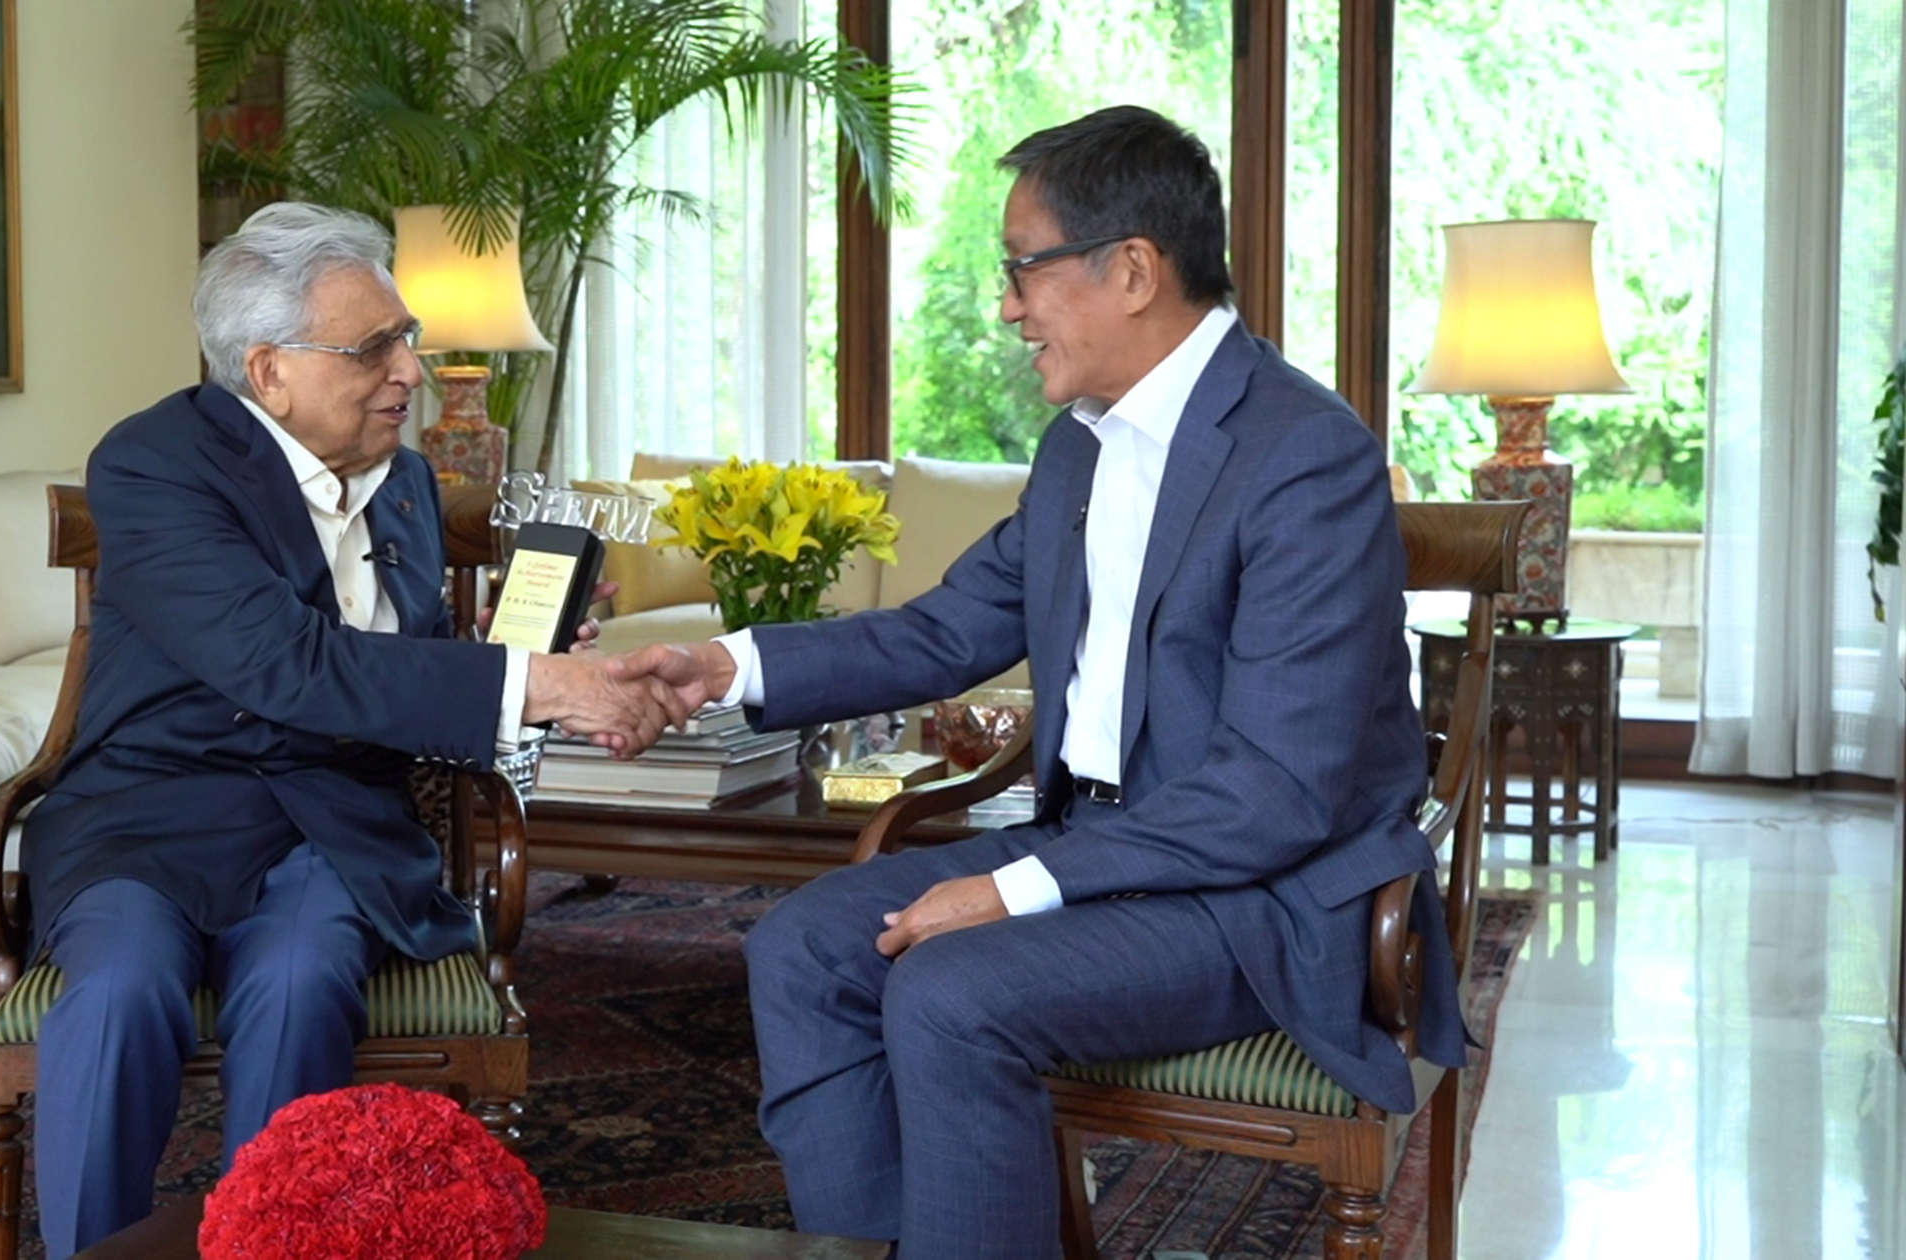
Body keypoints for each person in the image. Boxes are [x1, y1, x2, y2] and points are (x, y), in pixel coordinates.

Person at [611, 105, 1467, 1258]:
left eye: (1023, 269)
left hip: (1260, 894)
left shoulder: (1304, 456)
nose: (1008, 307)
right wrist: (726, 663)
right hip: (1100, 849)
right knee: (802, 949)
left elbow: (1274, 794)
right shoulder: (1079, 444)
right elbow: (944, 629)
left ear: (1132, 270)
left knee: (952, 992)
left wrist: (1016, 889)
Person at [18, 202, 683, 1258]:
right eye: (373, 348)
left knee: (301, 984)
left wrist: (511, 646)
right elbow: (284, 663)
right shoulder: (156, 462)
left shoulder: (408, 481)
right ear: (268, 369)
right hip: (151, 814)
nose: (409, 371)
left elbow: (395, 651)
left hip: (329, 823)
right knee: (117, 991)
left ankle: (281, 1247)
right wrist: (537, 685)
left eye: (404, 338)